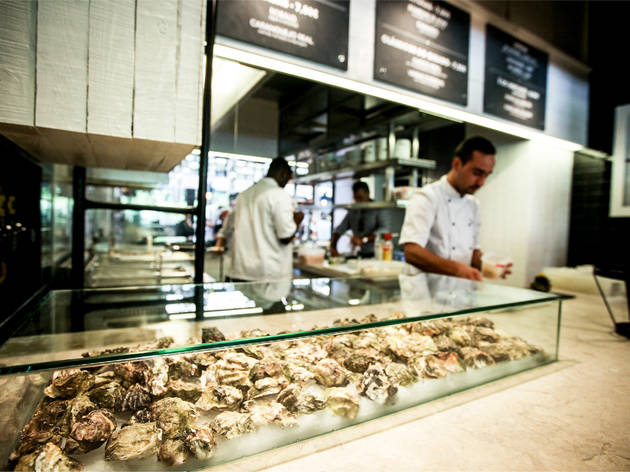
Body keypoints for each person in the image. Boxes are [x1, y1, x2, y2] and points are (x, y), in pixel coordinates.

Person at [399, 136, 509, 281]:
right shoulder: (427, 197)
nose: (481, 182)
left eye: (486, 175)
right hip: (427, 293)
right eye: (477, 173)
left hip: (462, 295)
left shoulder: (473, 204)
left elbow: (472, 252)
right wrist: (457, 269)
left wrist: (488, 265)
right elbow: (412, 252)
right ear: (457, 164)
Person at [215, 157, 304, 281]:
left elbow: (226, 228)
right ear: (284, 174)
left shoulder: (244, 195)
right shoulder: (279, 195)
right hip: (267, 275)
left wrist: (219, 243)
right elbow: (285, 237)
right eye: (289, 179)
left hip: (239, 272)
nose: (287, 183)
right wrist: (297, 221)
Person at [329, 181, 386, 258]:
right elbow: (339, 229)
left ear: (367, 194)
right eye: (356, 198)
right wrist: (333, 246)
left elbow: (383, 230)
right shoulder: (354, 210)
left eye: (360, 197)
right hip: (357, 253)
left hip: (375, 255)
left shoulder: (378, 209)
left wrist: (363, 240)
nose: (358, 201)